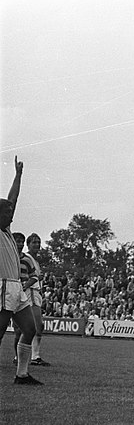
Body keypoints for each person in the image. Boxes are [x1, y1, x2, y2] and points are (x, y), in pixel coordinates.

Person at [0, 157, 40, 385]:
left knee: (30, 328)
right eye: (6, 212)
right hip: (4, 286)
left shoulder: (5, 229)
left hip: (16, 288)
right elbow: (9, 201)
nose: (11, 214)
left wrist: (18, 175)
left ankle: (22, 374)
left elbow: (12, 200)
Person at [13, 232, 49, 366]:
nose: (37, 245)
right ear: (28, 245)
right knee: (34, 326)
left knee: (30, 327)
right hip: (29, 293)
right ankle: (33, 356)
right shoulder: (26, 257)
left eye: (38, 242)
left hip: (35, 293)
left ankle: (30, 356)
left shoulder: (34, 260)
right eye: (33, 242)